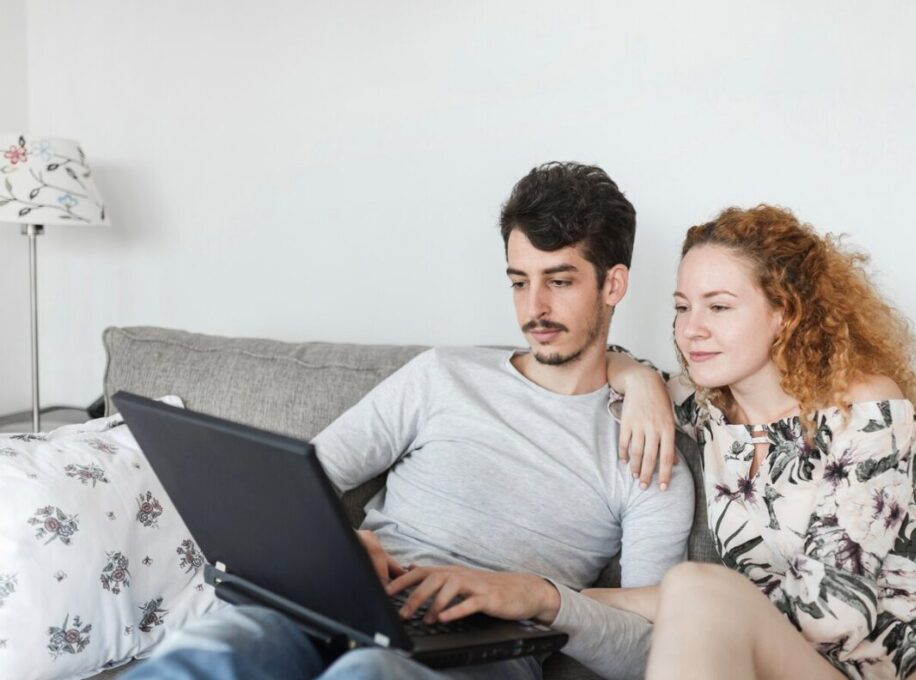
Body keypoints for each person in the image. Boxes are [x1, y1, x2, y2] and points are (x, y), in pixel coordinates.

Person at [123, 162, 694, 680]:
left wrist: (539, 597)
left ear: (612, 284)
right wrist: (341, 546)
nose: (533, 309)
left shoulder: (646, 447)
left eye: (560, 280)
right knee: (226, 645)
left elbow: (651, 648)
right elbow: (299, 487)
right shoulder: (441, 375)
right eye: (519, 281)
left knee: (369, 674)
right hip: (352, 600)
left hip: (486, 650)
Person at [589, 205, 916, 679]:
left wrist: (591, 599)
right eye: (681, 307)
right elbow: (601, 363)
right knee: (697, 587)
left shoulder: (865, 405)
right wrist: (638, 380)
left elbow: (834, 611)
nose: (692, 328)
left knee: (696, 589)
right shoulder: (706, 409)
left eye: (718, 306)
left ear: (785, 313)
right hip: (819, 666)